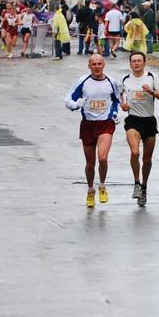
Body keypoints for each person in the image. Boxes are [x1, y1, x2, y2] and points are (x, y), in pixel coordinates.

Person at [64, 54, 120, 207]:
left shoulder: (112, 81)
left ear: (104, 65)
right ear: (89, 66)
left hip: (105, 124)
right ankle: (90, 190)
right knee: (90, 163)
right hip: (88, 125)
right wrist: (76, 105)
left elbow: (117, 99)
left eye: (99, 63)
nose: (96, 66)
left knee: (102, 158)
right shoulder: (82, 81)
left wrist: (115, 112)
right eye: (93, 64)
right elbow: (68, 99)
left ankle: (102, 185)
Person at [120, 51, 159, 206]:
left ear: (144, 62)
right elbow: (119, 95)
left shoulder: (152, 77)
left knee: (147, 159)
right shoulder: (125, 79)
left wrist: (151, 92)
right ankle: (136, 183)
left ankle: (144, 186)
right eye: (133, 61)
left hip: (149, 121)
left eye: (139, 60)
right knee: (135, 152)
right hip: (133, 120)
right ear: (130, 64)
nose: (136, 63)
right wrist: (122, 104)